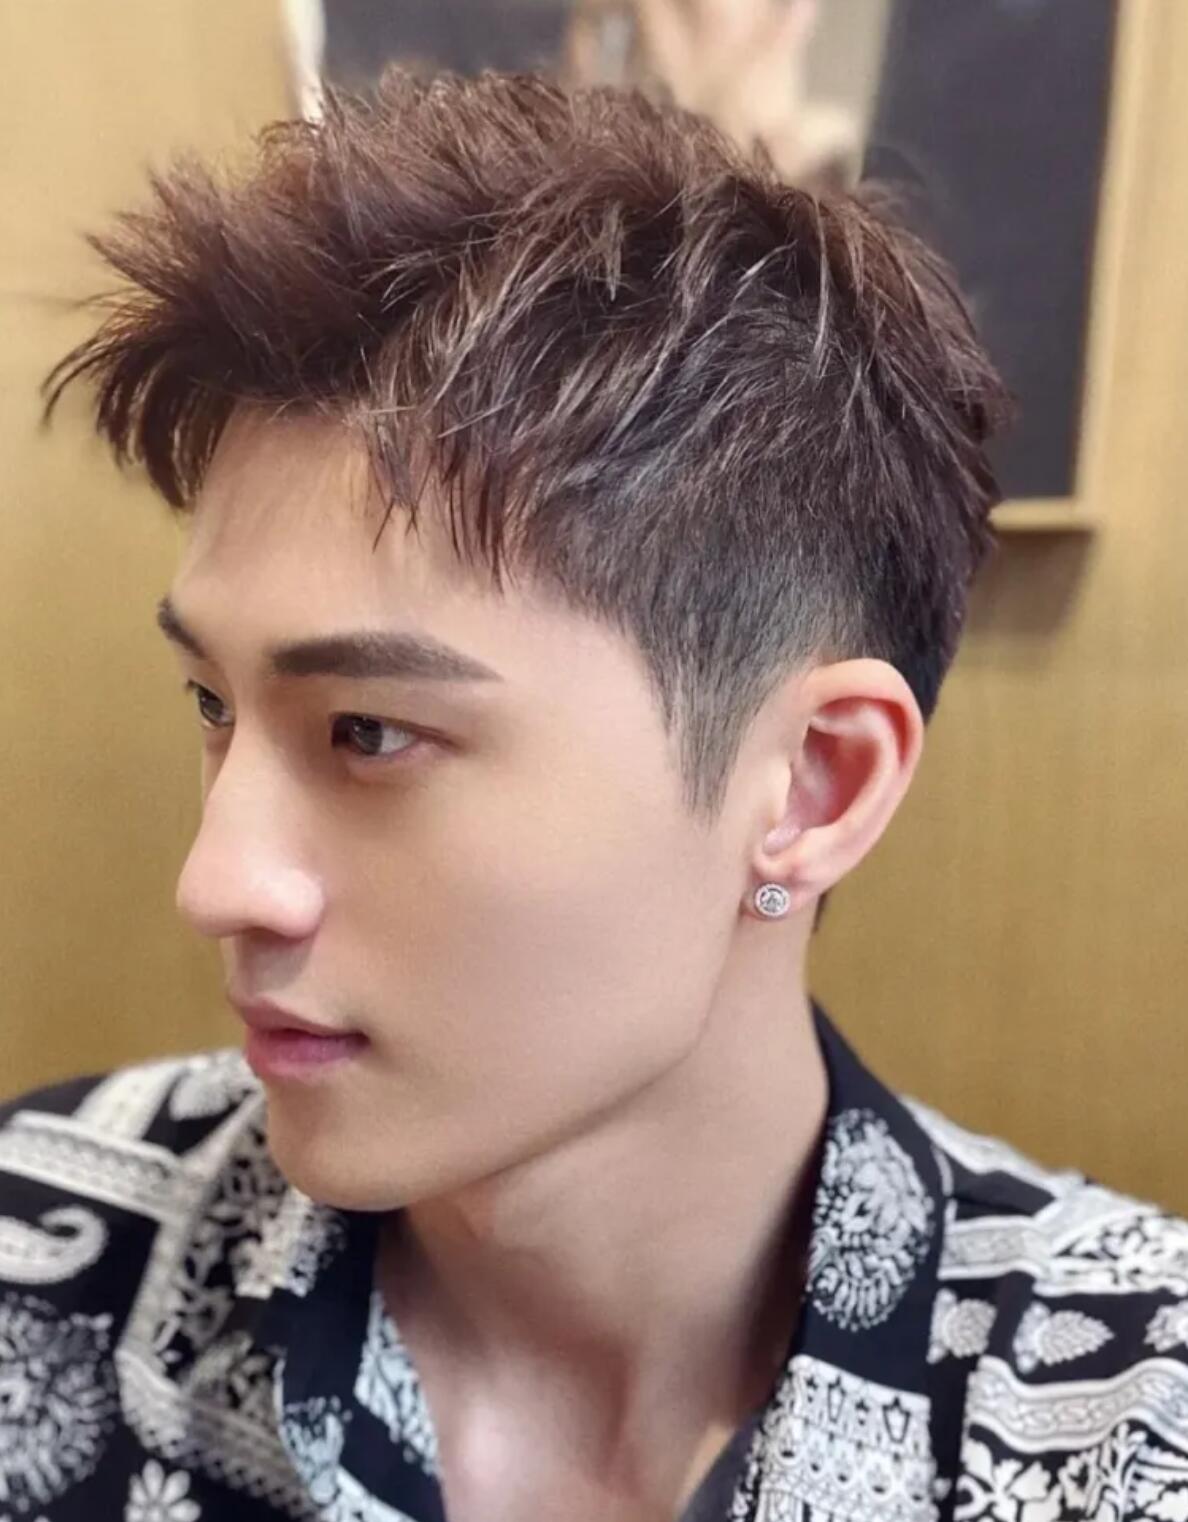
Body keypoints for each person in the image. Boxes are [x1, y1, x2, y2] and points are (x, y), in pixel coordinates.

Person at [2, 67, 1185, 1522]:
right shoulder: (44, 1258)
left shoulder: (1127, 1425)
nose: (218, 880)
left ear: (813, 786)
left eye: (369, 731)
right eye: (213, 704)